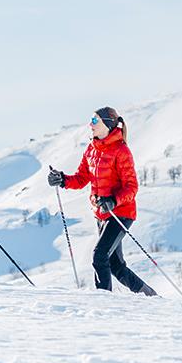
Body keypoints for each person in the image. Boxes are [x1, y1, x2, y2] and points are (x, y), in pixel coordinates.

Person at [47, 107, 157, 296]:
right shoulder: (92, 149)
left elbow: (132, 187)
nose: (91, 124)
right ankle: (151, 296)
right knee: (116, 266)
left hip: (120, 213)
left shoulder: (121, 151)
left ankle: (103, 301)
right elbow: (81, 178)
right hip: (102, 214)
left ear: (107, 124)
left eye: (95, 120)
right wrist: (62, 179)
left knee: (99, 256)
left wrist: (113, 201)